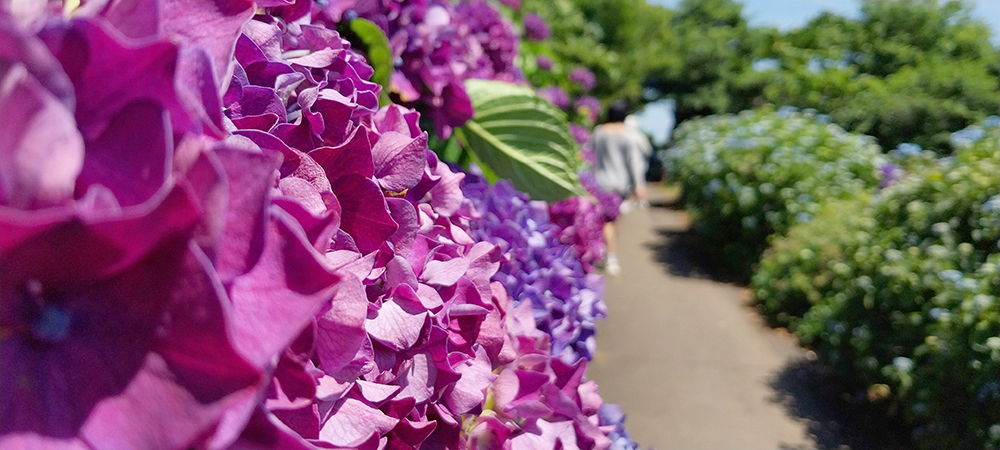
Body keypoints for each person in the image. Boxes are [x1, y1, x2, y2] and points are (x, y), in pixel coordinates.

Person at [591, 99, 652, 275]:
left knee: (605, 220)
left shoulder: (599, 132)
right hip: (620, 185)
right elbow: (634, 162)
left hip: (599, 182)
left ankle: (606, 252)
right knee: (611, 221)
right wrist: (639, 186)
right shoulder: (628, 135)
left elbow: (590, 154)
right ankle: (610, 256)